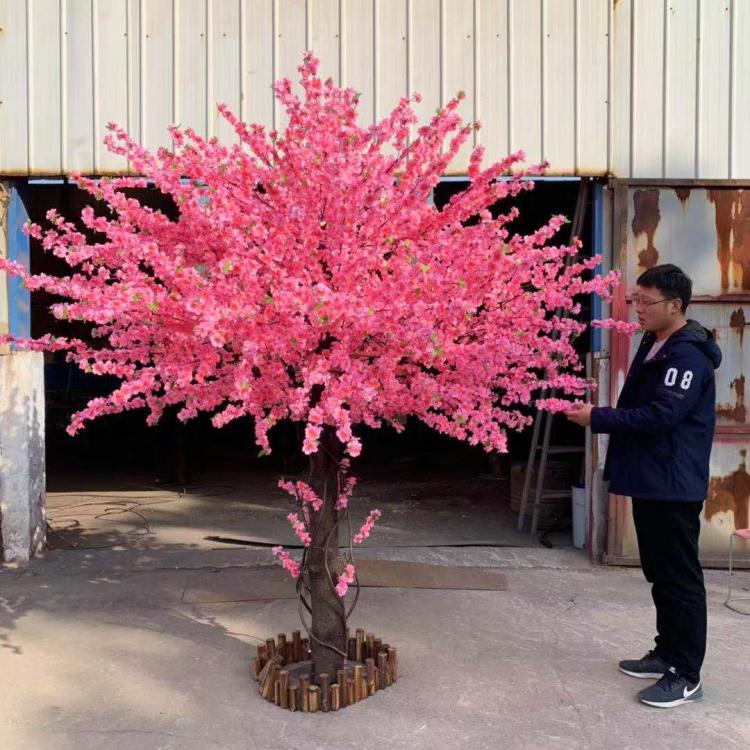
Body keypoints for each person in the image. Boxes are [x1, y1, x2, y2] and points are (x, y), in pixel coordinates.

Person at [566, 264, 722, 709]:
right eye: (634, 300)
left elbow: (661, 416)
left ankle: (686, 673)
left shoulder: (687, 354)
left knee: (680, 579)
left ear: (675, 305)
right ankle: (666, 652)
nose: (637, 309)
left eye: (646, 301)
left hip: (673, 482)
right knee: (659, 573)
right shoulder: (656, 344)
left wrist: (597, 418)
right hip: (652, 479)